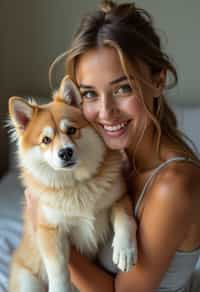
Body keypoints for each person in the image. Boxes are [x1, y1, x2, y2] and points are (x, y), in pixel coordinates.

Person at [27, 1, 200, 291]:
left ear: (158, 81)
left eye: (123, 88)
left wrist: (43, 227)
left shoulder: (174, 185)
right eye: (90, 94)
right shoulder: (110, 160)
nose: (106, 111)